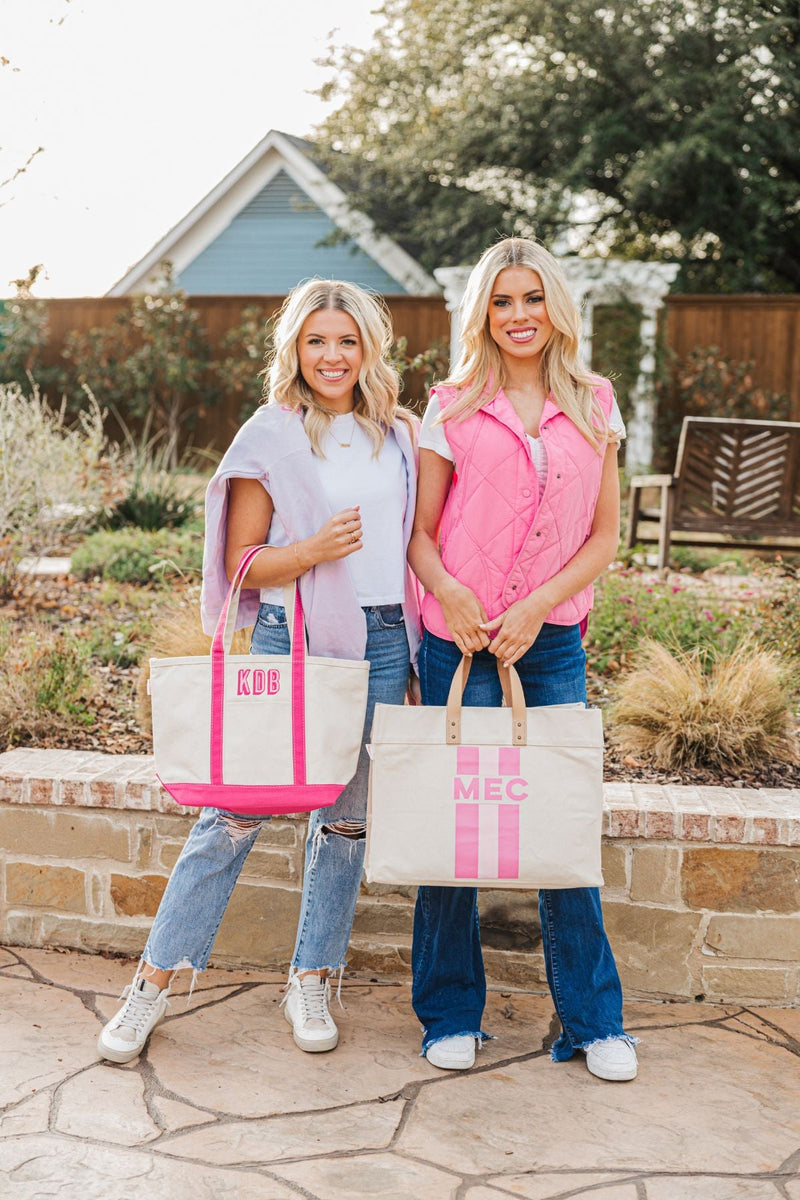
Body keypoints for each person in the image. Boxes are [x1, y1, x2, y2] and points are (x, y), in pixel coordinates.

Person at [98, 279, 420, 1064]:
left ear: (368, 347)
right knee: (232, 815)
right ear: (295, 351)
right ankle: (152, 983)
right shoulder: (272, 434)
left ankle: (311, 977)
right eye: (316, 341)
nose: (333, 356)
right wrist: (310, 552)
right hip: (292, 639)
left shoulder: (399, 433)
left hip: (383, 642)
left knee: (344, 824)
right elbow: (244, 561)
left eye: (346, 341)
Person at [407, 236, 638, 1081]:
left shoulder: (597, 403)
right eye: (501, 302)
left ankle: (593, 1021)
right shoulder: (451, 404)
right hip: (457, 646)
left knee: (561, 830)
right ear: (482, 312)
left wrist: (538, 607)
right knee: (451, 828)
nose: (518, 317)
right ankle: (448, 1013)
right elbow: (421, 538)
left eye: (531, 299)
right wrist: (459, 601)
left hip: (552, 647)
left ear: (555, 307)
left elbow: (605, 536)